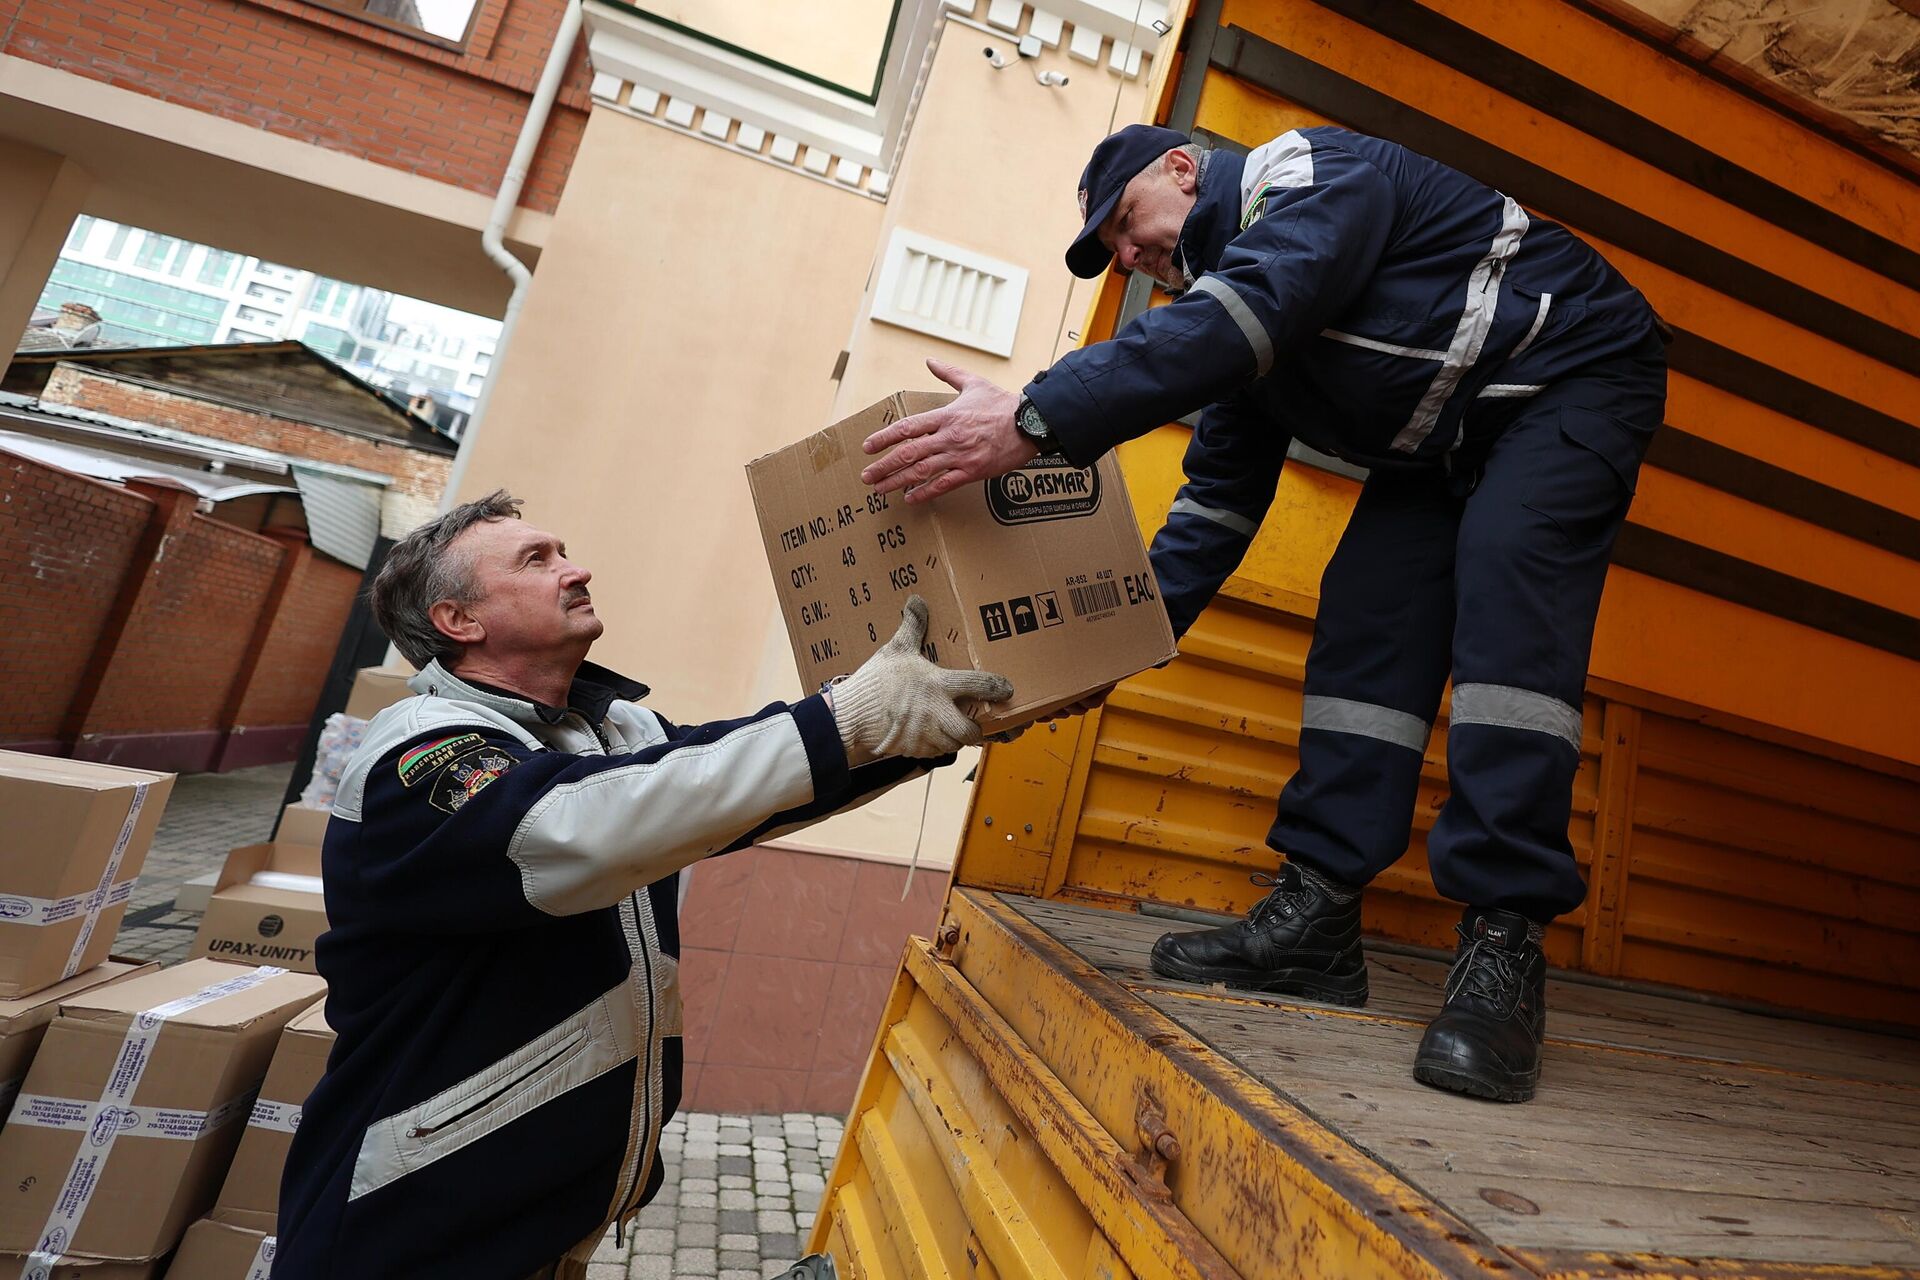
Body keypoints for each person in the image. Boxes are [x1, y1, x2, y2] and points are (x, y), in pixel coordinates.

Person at [858, 124, 1667, 1103]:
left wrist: (1034, 414)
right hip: (1454, 435)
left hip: (1576, 374)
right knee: (1369, 612)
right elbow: (1212, 513)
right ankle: (1319, 918)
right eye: (1109, 247)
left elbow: (1246, 310)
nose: (1126, 254)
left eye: (1125, 219)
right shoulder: (1239, 324)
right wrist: (1099, 655)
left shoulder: (1308, 179)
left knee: (1509, 582)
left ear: (1184, 168)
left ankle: (1505, 941)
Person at [275, 491, 1012, 1278]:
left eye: (562, 551)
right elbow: (574, 826)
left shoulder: (609, 735)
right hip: (410, 1231)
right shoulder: (418, 755)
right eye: (537, 560)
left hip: (544, 1230)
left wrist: (923, 728)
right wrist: (847, 718)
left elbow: (735, 790)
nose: (576, 568)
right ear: (459, 621)